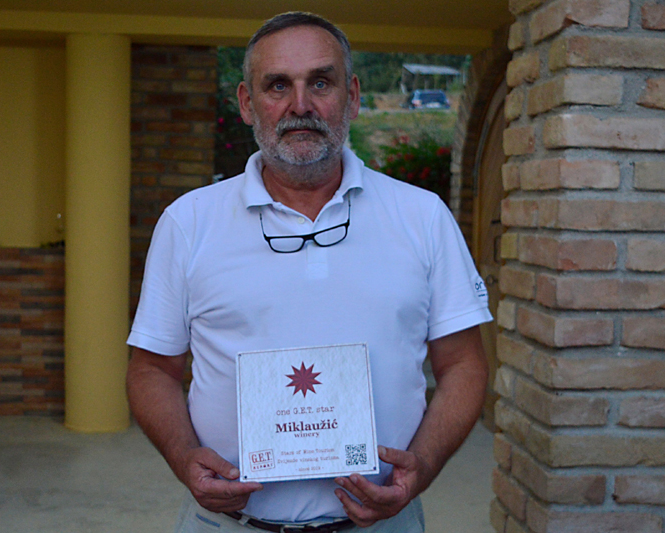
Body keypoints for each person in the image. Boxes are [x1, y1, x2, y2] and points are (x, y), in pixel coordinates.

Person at [126, 11, 491, 533]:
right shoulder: (188, 223)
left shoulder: (423, 216)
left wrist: (424, 466)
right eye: (278, 85)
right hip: (228, 525)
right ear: (247, 104)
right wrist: (184, 457)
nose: (300, 105)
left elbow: (464, 365)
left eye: (320, 82)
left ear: (352, 95)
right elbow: (150, 371)